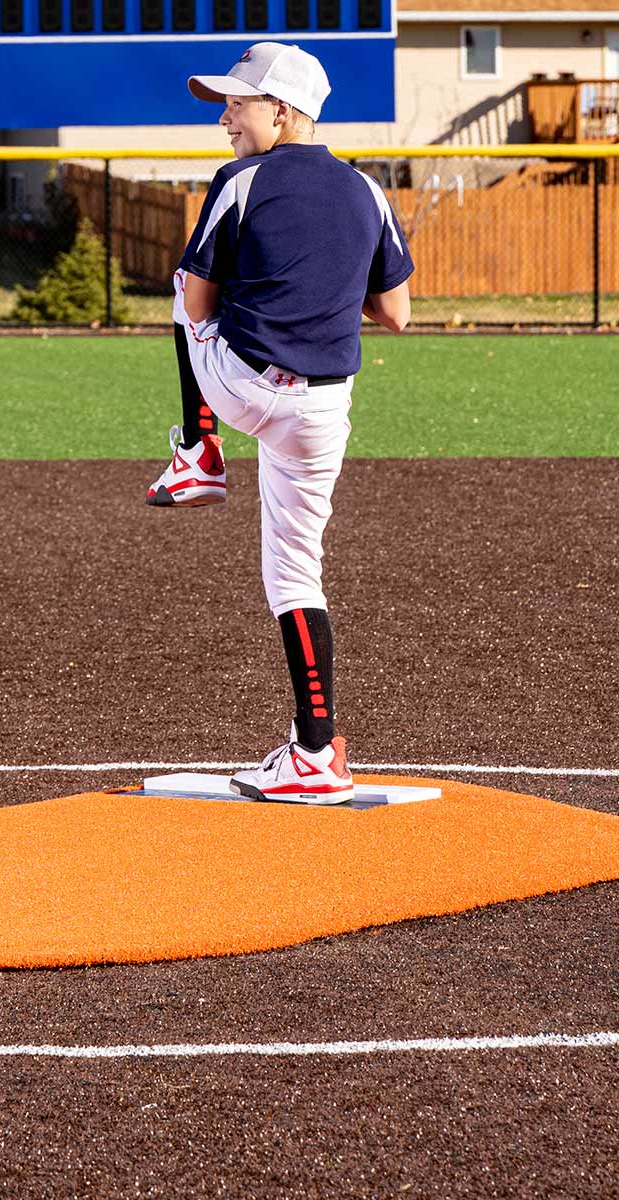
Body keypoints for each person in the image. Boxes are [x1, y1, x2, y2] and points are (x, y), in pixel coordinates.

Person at [146, 41, 413, 804]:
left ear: (284, 111)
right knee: (297, 574)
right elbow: (395, 313)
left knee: (184, 288)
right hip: (323, 410)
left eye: (238, 103)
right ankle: (316, 754)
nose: (225, 118)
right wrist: (325, 285)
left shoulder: (242, 180)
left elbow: (198, 302)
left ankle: (199, 451)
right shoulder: (367, 189)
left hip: (243, 387)